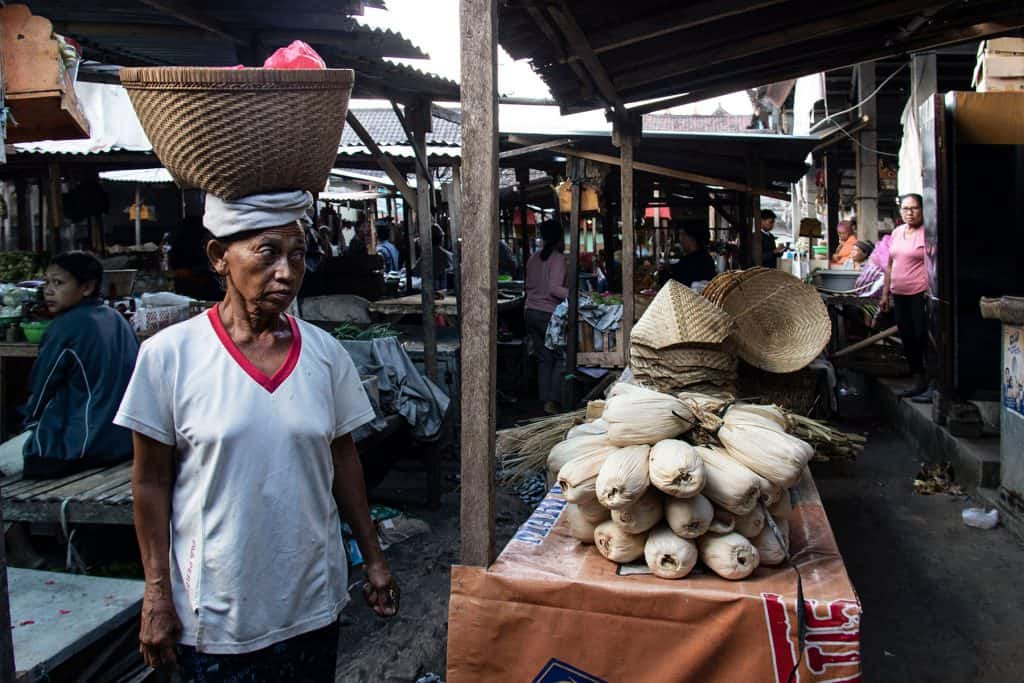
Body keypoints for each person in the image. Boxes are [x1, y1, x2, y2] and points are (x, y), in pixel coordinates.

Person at [115, 190, 397, 676]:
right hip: (218, 614)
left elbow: (344, 461)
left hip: (312, 599)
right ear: (219, 257)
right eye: (267, 253)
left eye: (298, 255)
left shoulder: (324, 354)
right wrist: (156, 592)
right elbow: (150, 482)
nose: (286, 272)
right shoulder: (170, 356)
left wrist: (373, 558)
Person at [20, 251, 139, 478]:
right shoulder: (116, 318)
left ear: (87, 287)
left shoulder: (65, 327)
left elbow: (41, 389)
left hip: (83, 446)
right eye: (47, 282)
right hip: (125, 442)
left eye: (59, 283)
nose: (49, 290)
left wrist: (28, 423)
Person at [880, 193, 930, 399]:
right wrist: (885, 294)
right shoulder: (898, 231)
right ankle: (917, 377)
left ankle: (928, 381)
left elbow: (933, 264)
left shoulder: (927, 233)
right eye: (906, 209)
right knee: (907, 336)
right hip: (898, 293)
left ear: (922, 210)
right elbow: (890, 265)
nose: (909, 213)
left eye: (914, 208)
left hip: (919, 293)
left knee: (921, 336)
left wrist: (930, 290)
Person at [525, 219, 568, 415]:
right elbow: (555, 289)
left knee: (544, 358)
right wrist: (575, 295)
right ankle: (553, 400)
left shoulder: (533, 258)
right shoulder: (558, 259)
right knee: (560, 356)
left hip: (530, 312)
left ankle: (544, 400)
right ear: (560, 237)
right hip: (547, 314)